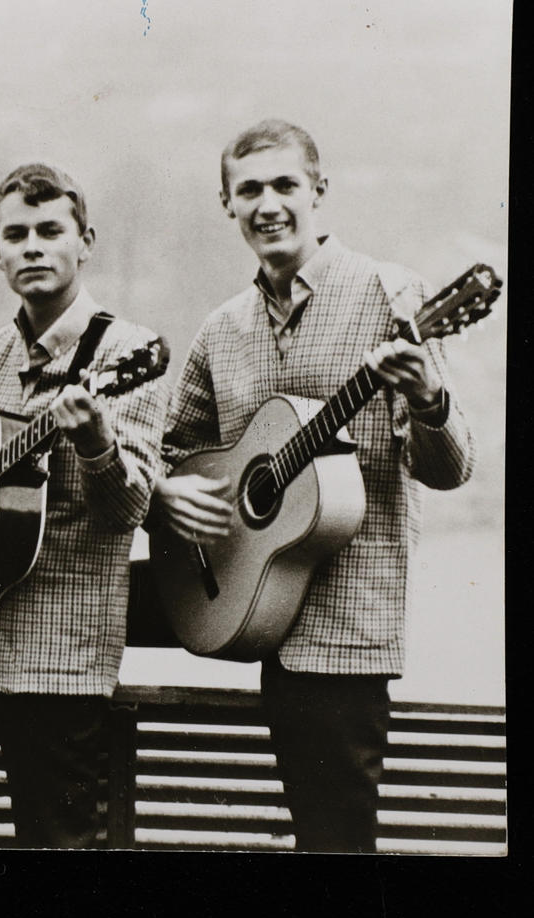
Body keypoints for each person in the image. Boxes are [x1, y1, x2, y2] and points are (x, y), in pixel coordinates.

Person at [151, 120, 475, 853]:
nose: (269, 204)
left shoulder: (392, 297)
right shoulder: (220, 330)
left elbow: (452, 468)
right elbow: (174, 451)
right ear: (227, 204)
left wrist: (429, 400)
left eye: (285, 184)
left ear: (319, 191)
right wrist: (166, 495)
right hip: (237, 613)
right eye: (250, 189)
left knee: (333, 846)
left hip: (339, 639)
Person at [0, 163, 169, 848]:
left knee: (62, 840)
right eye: (17, 235)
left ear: (86, 241)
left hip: (63, 657)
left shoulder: (128, 353)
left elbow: (129, 508)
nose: (34, 247)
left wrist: (99, 441)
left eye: (51, 230)